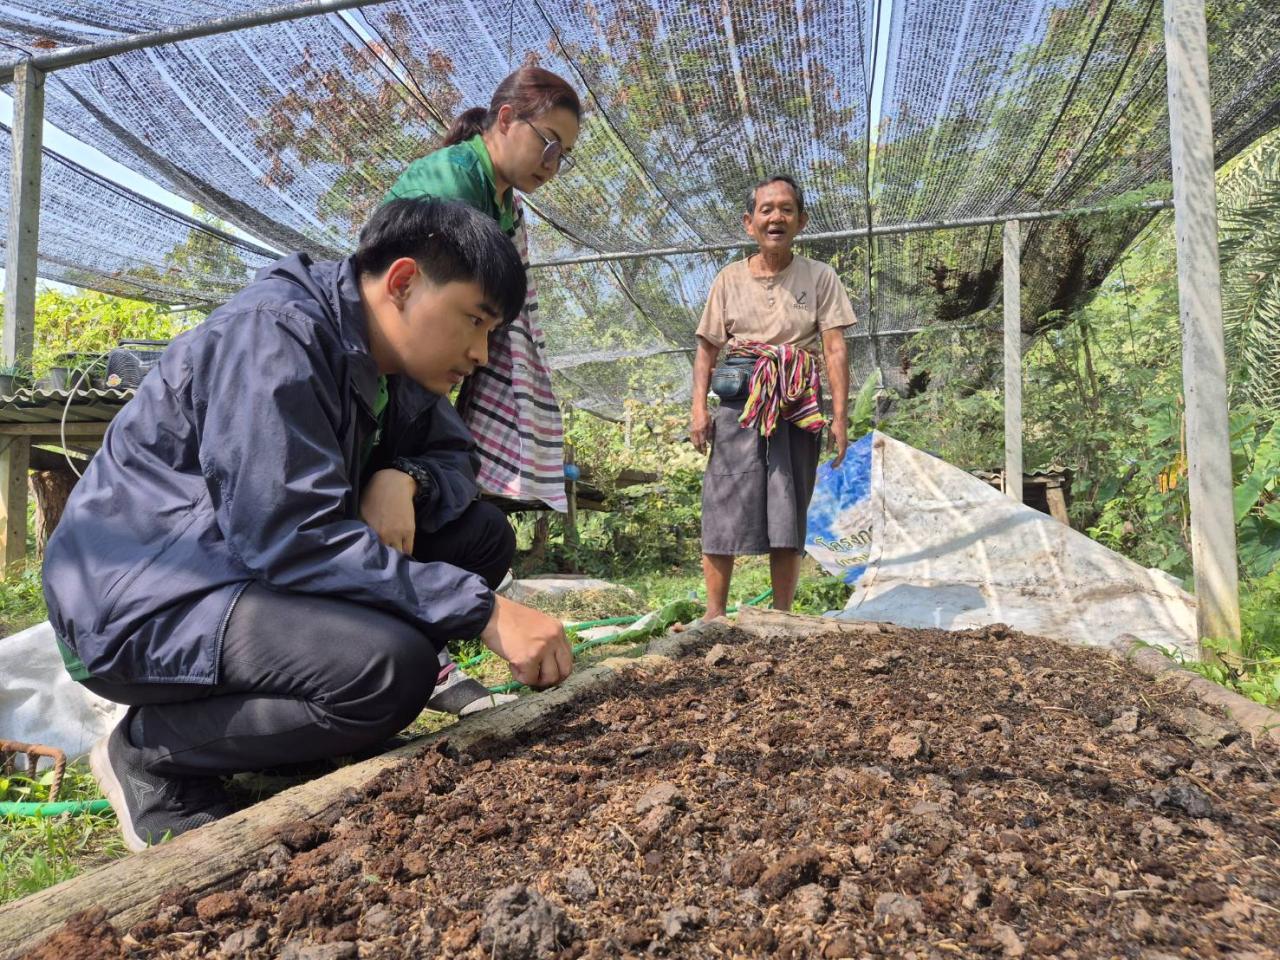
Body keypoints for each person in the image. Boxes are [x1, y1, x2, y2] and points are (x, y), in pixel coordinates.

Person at [42, 198, 574, 851]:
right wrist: (485, 614)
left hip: (244, 567)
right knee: (386, 672)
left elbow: (458, 458)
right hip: (140, 596)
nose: (480, 352)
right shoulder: (273, 339)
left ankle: (299, 725)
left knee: (480, 535)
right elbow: (290, 534)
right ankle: (150, 755)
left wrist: (405, 479)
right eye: (474, 320)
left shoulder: (397, 367)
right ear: (403, 283)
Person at [376, 66, 582, 714]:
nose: (554, 161)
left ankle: (419, 646)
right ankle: (397, 654)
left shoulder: (501, 201)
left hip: (419, 394)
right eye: (548, 141)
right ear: (504, 120)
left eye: (565, 154)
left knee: (484, 532)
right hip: (394, 382)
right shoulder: (450, 184)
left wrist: (406, 474)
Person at [690, 175, 856, 621]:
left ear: (801, 220)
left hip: (796, 404)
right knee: (723, 495)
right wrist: (698, 408)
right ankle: (713, 614)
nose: (776, 217)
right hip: (738, 403)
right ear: (749, 223)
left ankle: (781, 613)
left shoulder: (820, 277)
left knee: (789, 498)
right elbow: (707, 347)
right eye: (766, 210)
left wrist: (838, 416)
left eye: (786, 209)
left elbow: (834, 347)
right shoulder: (728, 279)